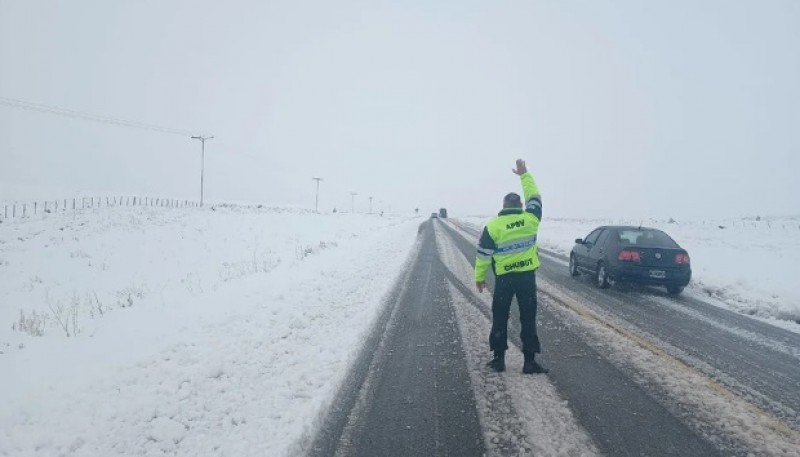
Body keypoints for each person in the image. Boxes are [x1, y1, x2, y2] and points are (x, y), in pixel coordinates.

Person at [475, 159, 548, 374]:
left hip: (504, 280)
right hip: (526, 278)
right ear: (521, 206)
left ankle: (499, 360)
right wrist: (524, 175)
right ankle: (529, 362)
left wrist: (480, 277)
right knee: (528, 318)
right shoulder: (531, 219)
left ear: (504, 207)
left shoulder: (494, 225)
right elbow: (535, 197)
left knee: (500, 316)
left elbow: (483, 255)